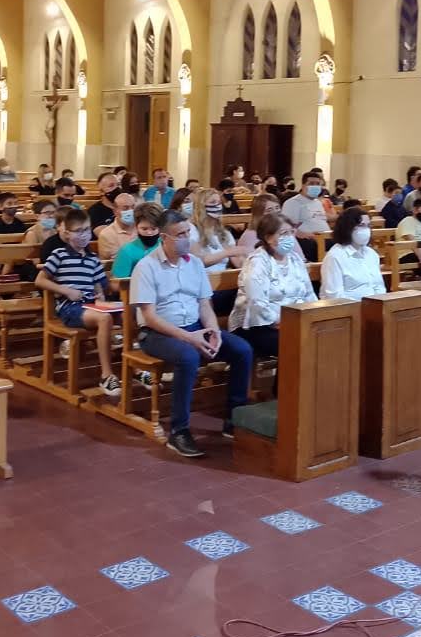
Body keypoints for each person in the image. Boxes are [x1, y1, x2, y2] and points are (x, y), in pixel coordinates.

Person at [131, 210, 254, 458]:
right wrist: (189, 338)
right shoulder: (146, 267)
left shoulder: (195, 264)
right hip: (157, 333)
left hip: (195, 326)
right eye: (180, 234)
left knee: (242, 350)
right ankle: (179, 431)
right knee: (188, 357)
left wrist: (213, 332)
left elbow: (204, 304)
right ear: (164, 238)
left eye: (188, 232)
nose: (187, 238)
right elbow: (150, 317)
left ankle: (233, 418)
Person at [35, 208, 120, 397]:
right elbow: (40, 280)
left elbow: (101, 285)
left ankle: (138, 370)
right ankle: (107, 375)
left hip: (91, 305)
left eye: (87, 230)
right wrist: (66, 290)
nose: (84, 235)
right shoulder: (59, 254)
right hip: (69, 307)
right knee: (104, 319)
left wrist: (100, 296)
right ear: (66, 233)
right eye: (78, 231)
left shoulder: (92, 258)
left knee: (132, 314)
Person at [228, 212, 315, 392]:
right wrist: (282, 321)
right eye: (283, 233)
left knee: (319, 337)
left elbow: (308, 293)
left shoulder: (295, 259)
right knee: (295, 341)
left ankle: (307, 393)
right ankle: (283, 395)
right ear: (268, 237)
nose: (289, 237)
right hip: (257, 325)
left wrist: (314, 314)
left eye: (291, 232)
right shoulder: (258, 262)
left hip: (293, 321)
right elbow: (257, 303)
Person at [191, 187, 250, 316]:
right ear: (201, 207)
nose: (217, 206)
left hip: (223, 283)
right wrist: (228, 252)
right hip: (203, 286)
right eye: (212, 203)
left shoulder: (224, 233)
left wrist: (249, 263)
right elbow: (200, 260)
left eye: (218, 202)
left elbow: (237, 260)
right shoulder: (192, 230)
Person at [321, 207, 385, 301]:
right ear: (348, 228)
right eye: (361, 225)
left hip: (373, 305)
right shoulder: (335, 257)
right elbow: (334, 295)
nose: (366, 230)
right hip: (348, 307)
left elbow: (378, 286)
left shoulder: (371, 254)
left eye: (368, 225)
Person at [281, 171, 330, 261]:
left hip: (324, 237)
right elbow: (286, 226)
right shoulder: (293, 203)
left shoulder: (318, 202)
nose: (315, 186)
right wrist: (300, 233)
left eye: (318, 184)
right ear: (303, 185)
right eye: (311, 183)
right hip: (309, 240)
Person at [112, 202, 163, 279]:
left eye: (154, 229)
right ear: (136, 227)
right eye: (144, 229)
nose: (149, 233)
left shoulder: (166, 246)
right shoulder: (126, 251)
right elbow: (117, 282)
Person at [98, 193, 137, 259]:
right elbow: (108, 262)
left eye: (133, 207)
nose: (131, 211)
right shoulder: (106, 235)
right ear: (115, 211)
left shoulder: (143, 228)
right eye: (125, 208)